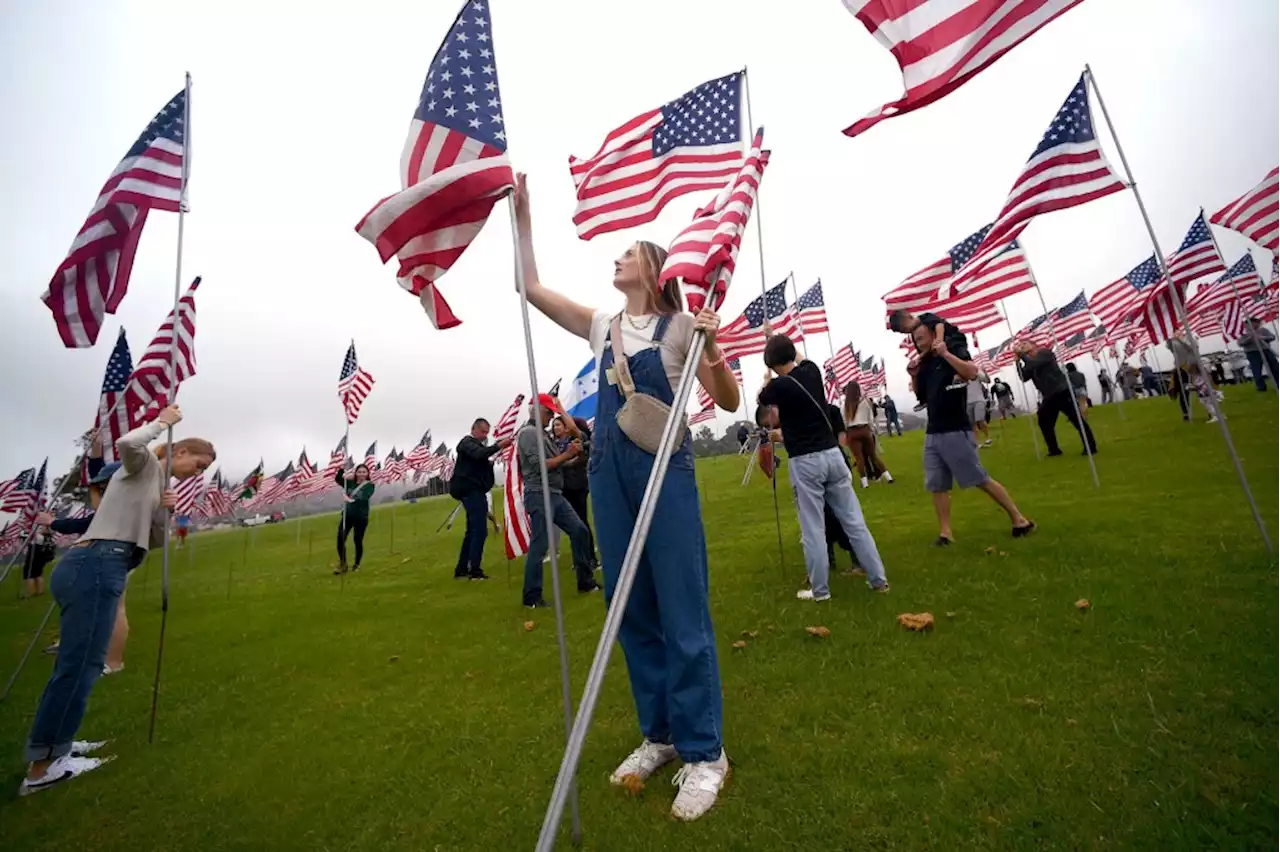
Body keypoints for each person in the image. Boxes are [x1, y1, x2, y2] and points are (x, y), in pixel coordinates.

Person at [515, 173, 739, 821]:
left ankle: (706, 752)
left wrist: (714, 347)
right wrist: (525, 221)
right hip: (609, 473)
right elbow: (531, 290)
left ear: (653, 268)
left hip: (663, 472)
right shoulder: (604, 323)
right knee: (629, 608)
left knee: (681, 606)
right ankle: (661, 735)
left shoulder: (680, 328)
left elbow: (726, 402)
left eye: (628, 253)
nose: (616, 258)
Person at [21, 406, 214, 796]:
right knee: (78, 668)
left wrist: (163, 510)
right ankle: (42, 769)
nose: (201, 471)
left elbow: (152, 541)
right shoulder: (144, 465)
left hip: (104, 563)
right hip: (96, 563)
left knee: (81, 663)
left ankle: (58, 745)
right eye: (200, 462)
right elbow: (128, 442)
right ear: (179, 451)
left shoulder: (157, 487)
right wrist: (163, 423)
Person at [758, 334, 890, 601]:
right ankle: (879, 580)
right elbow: (798, 358)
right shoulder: (812, 370)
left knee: (813, 527)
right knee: (854, 521)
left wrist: (768, 369)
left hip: (805, 461)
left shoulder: (778, 387)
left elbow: (764, 395)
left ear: (771, 363)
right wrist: (778, 342)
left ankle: (820, 591)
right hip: (833, 454)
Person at [912, 325, 1036, 546]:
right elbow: (921, 396)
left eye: (922, 338)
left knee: (979, 478)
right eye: (916, 340)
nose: (919, 343)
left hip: (955, 429)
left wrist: (945, 353)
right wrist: (913, 375)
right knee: (937, 485)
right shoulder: (926, 365)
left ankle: (1019, 520)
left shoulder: (953, 353)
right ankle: (945, 533)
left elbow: (971, 372)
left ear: (933, 335)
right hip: (933, 432)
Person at [518, 397, 601, 607]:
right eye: (548, 413)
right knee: (540, 544)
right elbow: (541, 466)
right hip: (539, 494)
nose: (551, 417)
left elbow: (559, 464)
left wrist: (576, 457)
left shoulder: (543, 434)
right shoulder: (528, 434)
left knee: (580, 531)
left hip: (555, 494)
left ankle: (585, 580)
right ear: (536, 411)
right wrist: (568, 454)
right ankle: (531, 597)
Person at [450, 418, 510, 580]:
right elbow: (479, 454)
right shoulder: (466, 443)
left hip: (476, 491)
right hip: (470, 491)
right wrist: (498, 446)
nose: (485, 436)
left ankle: (462, 569)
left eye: (486, 433)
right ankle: (474, 570)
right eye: (482, 432)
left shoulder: (477, 447)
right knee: (479, 531)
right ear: (473, 429)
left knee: (472, 531)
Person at [1015, 341, 1097, 456]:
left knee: (1076, 419)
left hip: (1061, 391)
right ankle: (1054, 449)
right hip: (1049, 396)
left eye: (1024, 345)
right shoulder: (1029, 363)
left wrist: (1022, 356)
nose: (1022, 347)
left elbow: (1035, 364)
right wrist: (1017, 362)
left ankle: (1090, 447)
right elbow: (1023, 377)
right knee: (1044, 420)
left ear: (1034, 346)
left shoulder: (1044, 353)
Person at [889, 309, 969, 410]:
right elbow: (925, 349)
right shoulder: (914, 334)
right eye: (904, 332)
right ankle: (923, 399)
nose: (907, 332)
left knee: (956, 351)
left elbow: (939, 325)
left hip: (951, 338)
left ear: (909, 318)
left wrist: (939, 339)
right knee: (922, 372)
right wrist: (919, 358)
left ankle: (960, 375)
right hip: (936, 351)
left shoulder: (925, 317)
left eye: (905, 328)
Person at [552, 415, 597, 570]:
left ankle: (591, 558)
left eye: (558, 425)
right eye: (554, 425)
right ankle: (579, 559)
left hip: (577, 486)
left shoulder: (575, 441)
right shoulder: (554, 444)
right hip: (564, 487)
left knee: (582, 522)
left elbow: (582, 459)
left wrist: (564, 462)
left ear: (566, 427)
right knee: (573, 526)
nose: (555, 428)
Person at [841, 381, 894, 488]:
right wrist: (871, 429)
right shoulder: (865, 402)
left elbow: (844, 421)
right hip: (865, 430)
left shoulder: (845, 405)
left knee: (859, 458)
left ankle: (865, 483)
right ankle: (888, 476)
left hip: (852, 431)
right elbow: (870, 418)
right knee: (873, 456)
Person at [333, 464, 374, 575]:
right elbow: (338, 479)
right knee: (340, 539)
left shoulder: (369, 485)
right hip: (347, 516)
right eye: (359, 472)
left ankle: (356, 564)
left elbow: (363, 497)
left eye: (364, 472)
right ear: (355, 473)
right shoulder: (350, 483)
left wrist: (350, 499)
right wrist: (342, 469)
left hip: (361, 517)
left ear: (367, 474)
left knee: (357, 540)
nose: (361, 474)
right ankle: (343, 563)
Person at [1237, 318, 1280, 392]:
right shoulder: (1244, 333)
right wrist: (1249, 339)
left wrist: (1264, 337)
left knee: (1275, 368)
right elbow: (1240, 343)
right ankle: (1261, 387)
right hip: (1253, 353)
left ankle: (1278, 384)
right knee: (1256, 370)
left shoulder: (1263, 330)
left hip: (1266, 350)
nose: (1256, 324)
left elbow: (1272, 337)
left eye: (1257, 323)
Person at [966, 370, 994, 446]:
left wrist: (985, 373)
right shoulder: (963, 375)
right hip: (968, 402)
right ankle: (977, 442)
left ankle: (987, 438)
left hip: (979, 400)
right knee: (972, 423)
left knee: (980, 420)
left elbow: (988, 381)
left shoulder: (977, 375)